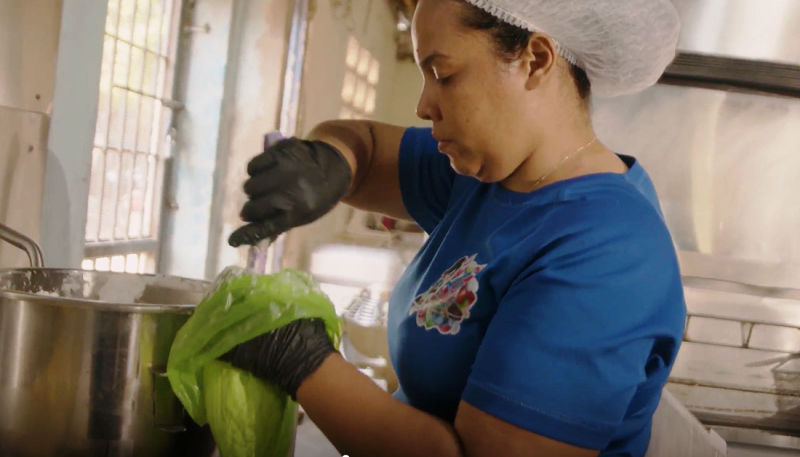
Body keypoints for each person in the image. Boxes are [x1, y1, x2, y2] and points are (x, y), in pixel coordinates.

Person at [222, 0, 686, 455]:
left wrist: (304, 364)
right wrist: (328, 162)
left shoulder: (607, 250)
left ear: (535, 60)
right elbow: (363, 148)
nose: (424, 105)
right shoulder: (488, 172)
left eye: (443, 75)